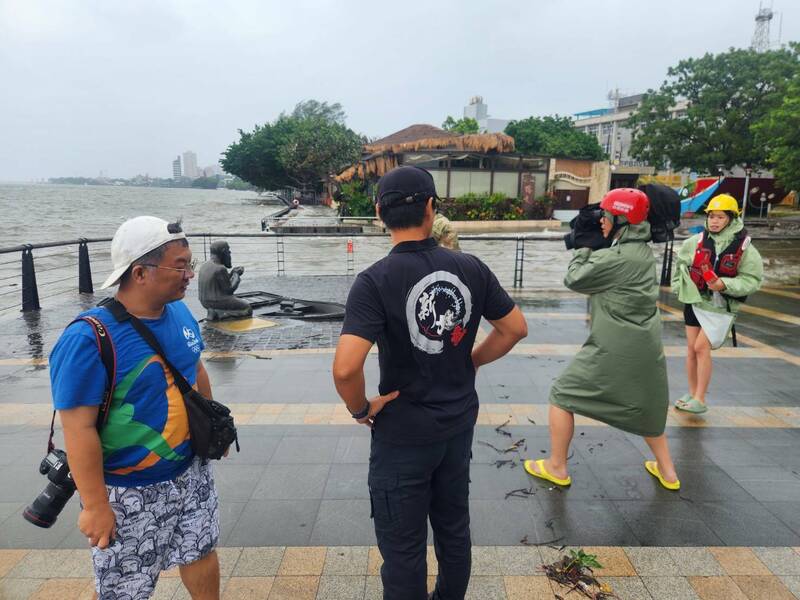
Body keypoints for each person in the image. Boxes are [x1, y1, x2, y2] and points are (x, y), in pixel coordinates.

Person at [332, 166, 527, 600]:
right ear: (431, 207)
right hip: (457, 426)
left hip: (402, 434)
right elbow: (514, 328)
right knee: (454, 531)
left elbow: (346, 369)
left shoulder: (374, 281)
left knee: (403, 549)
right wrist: (470, 361)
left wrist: (361, 409)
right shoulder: (470, 267)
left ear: (379, 212)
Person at [49, 216, 222, 600]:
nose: (190, 274)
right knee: (122, 586)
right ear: (140, 272)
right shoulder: (88, 338)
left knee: (201, 550)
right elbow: (78, 429)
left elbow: (194, 368)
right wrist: (95, 506)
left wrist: (213, 428)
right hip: (127, 492)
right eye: (181, 266)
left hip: (189, 472)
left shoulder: (178, 312)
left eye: (189, 264)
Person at [523, 189, 680, 491]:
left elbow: (575, 278)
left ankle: (556, 466)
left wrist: (583, 246)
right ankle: (668, 472)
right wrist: (601, 244)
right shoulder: (641, 252)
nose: (602, 223)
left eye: (606, 217)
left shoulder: (617, 257)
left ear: (622, 220)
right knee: (649, 406)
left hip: (614, 347)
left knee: (562, 394)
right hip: (645, 345)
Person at [671, 194, 763, 414]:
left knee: (701, 348)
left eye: (720, 217)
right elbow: (681, 267)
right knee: (691, 350)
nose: (714, 221)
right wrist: (680, 289)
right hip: (694, 302)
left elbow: (753, 280)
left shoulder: (745, 248)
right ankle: (692, 393)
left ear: (731, 218)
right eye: (711, 216)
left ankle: (700, 399)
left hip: (721, 306)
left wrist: (724, 284)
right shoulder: (695, 242)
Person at [198, 240, 252, 320]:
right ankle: (220, 313)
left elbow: (222, 282)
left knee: (237, 301)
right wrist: (236, 274)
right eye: (228, 251)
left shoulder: (205, 265)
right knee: (247, 308)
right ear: (223, 252)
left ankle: (215, 311)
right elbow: (229, 290)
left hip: (204, 302)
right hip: (217, 301)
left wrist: (232, 273)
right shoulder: (220, 268)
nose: (229, 253)